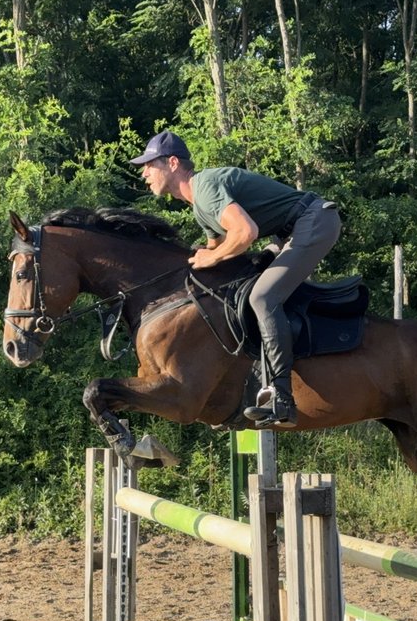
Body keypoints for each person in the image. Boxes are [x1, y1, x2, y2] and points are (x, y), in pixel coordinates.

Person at [130, 130, 341, 427]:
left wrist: (211, 257)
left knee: (263, 297)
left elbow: (245, 233)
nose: (144, 173)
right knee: (243, 284)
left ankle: (282, 398)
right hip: (293, 230)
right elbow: (214, 249)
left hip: (314, 220)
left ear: (173, 163)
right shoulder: (200, 205)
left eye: (150, 164)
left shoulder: (204, 187)